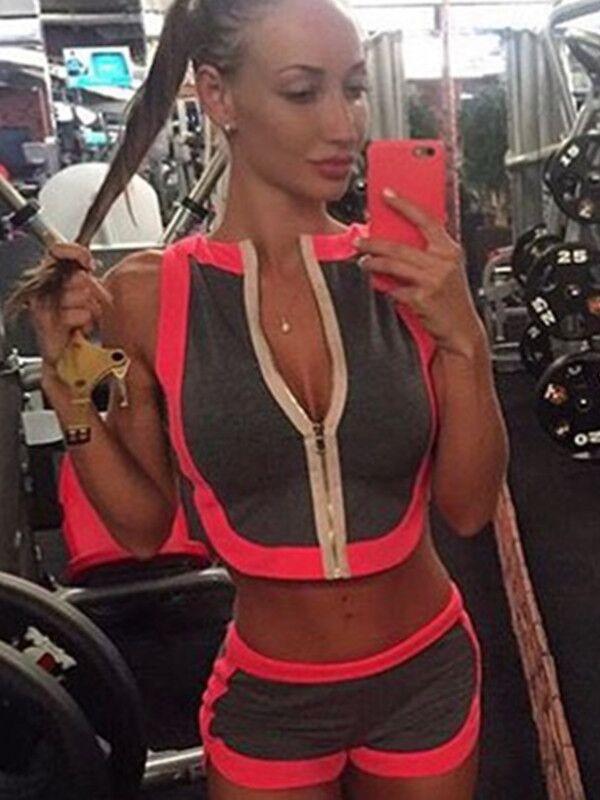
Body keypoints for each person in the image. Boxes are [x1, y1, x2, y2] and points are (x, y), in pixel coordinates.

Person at [12, 0, 509, 797]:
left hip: (426, 673)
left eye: (353, 89)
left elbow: (470, 507)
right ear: (218, 96)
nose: (343, 124)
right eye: (303, 91)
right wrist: (67, 379)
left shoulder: (406, 277)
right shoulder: (149, 295)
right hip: (271, 699)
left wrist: (466, 340)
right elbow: (140, 528)